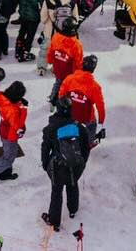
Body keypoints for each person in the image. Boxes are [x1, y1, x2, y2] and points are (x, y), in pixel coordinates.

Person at [40, 96, 92, 231]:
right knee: (73, 185)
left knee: (56, 192)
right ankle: (73, 209)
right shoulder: (79, 127)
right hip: (76, 166)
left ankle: (54, 221)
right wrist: (83, 162)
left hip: (57, 167)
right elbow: (86, 147)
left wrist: (46, 164)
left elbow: (45, 147)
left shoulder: (50, 128)